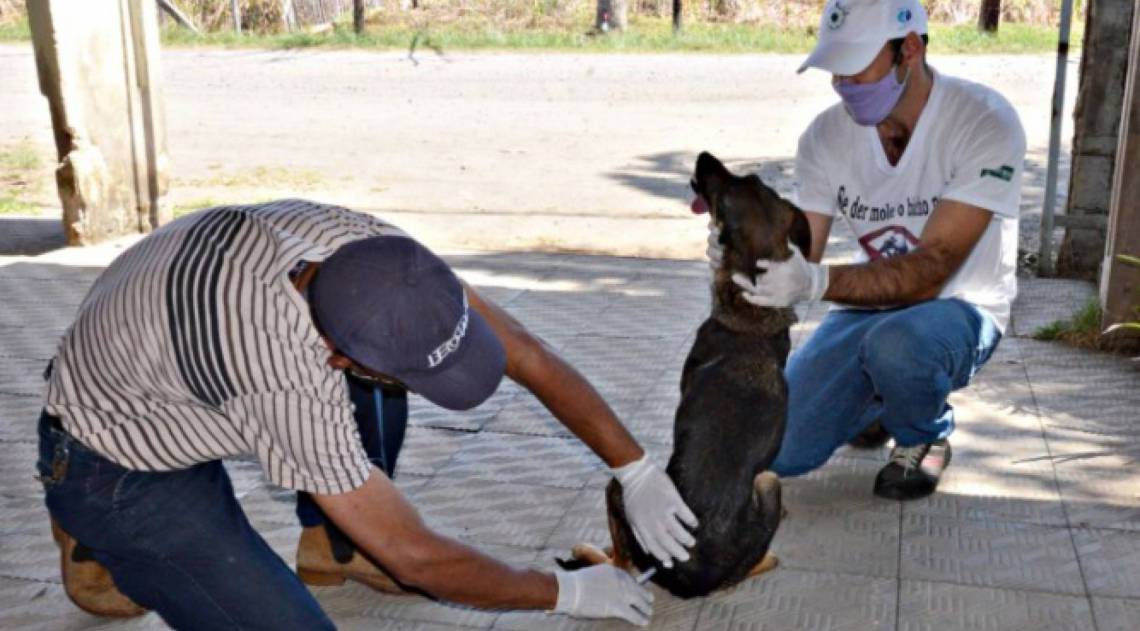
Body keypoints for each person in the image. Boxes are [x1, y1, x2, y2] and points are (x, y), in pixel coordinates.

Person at [36, 199, 698, 628]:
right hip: (113, 455)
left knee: (381, 385)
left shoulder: (376, 255)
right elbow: (417, 558)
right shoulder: (287, 371)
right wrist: (565, 591)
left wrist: (635, 467)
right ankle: (94, 531)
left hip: (165, 347)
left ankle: (338, 540)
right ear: (336, 356)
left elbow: (523, 350)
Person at [709, 0, 1025, 500]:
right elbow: (802, 250)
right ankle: (878, 399)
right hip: (870, 310)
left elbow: (932, 271)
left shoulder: (982, 121)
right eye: (835, 68)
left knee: (898, 347)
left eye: (856, 65)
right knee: (778, 450)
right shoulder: (825, 136)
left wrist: (817, 283)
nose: (843, 83)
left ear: (911, 49)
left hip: (959, 308)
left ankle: (926, 436)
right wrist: (741, 237)